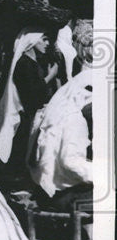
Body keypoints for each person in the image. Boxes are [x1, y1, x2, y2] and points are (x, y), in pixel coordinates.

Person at [0, 27, 57, 169]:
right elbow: (31, 93)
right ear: (32, 41)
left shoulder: (32, 62)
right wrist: (49, 77)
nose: (47, 43)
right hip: (24, 118)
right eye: (44, 39)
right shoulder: (24, 64)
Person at [28, 69, 93, 211]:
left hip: (42, 192)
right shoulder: (74, 119)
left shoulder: (48, 112)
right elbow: (70, 162)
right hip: (63, 197)